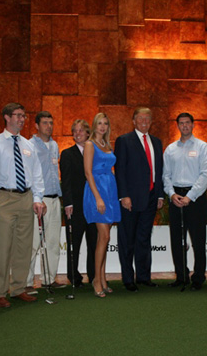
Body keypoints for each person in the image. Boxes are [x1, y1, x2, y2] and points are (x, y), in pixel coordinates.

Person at [0, 103, 46, 308]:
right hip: (5, 198)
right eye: (17, 115)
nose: (21, 119)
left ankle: (19, 288)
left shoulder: (28, 145)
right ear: (6, 117)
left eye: (23, 116)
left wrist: (37, 198)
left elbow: (36, 173)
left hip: (26, 198)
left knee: (23, 246)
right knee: (2, 247)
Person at [114, 107, 164, 292]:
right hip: (131, 200)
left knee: (144, 239)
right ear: (134, 121)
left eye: (147, 119)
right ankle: (128, 279)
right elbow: (120, 171)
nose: (144, 122)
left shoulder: (157, 142)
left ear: (151, 121)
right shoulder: (124, 141)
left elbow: (158, 172)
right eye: (140, 119)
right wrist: (124, 195)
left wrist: (159, 194)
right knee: (127, 240)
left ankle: (144, 276)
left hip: (151, 198)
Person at [162, 113, 207, 291]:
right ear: (177, 126)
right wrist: (172, 194)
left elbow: (206, 174)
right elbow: (165, 175)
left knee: (198, 240)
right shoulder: (170, 149)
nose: (184, 126)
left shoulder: (202, 147)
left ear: (193, 125)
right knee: (177, 240)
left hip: (195, 198)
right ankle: (181, 276)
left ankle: (198, 277)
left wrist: (190, 196)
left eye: (187, 123)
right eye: (181, 123)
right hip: (176, 197)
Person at [83, 113, 121, 298]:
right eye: (99, 123)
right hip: (96, 191)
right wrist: (98, 198)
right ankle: (96, 279)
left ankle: (103, 278)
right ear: (94, 125)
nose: (103, 126)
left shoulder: (107, 145)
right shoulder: (90, 144)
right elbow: (88, 173)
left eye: (106, 123)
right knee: (103, 237)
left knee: (105, 238)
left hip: (110, 189)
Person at [27, 111, 64, 292]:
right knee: (33, 242)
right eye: (44, 123)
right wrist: (36, 199)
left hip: (55, 198)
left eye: (51, 123)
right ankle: (26, 283)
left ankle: (49, 279)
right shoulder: (30, 145)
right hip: (39, 201)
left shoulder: (55, 145)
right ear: (36, 125)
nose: (48, 126)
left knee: (52, 242)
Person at [60, 120, 97, 288]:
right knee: (74, 243)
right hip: (75, 206)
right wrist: (67, 203)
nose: (77, 134)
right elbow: (65, 181)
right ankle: (74, 277)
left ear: (88, 133)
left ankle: (94, 275)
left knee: (94, 243)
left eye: (81, 131)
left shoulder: (96, 153)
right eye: (74, 131)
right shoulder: (67, 154)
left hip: (94, 205)